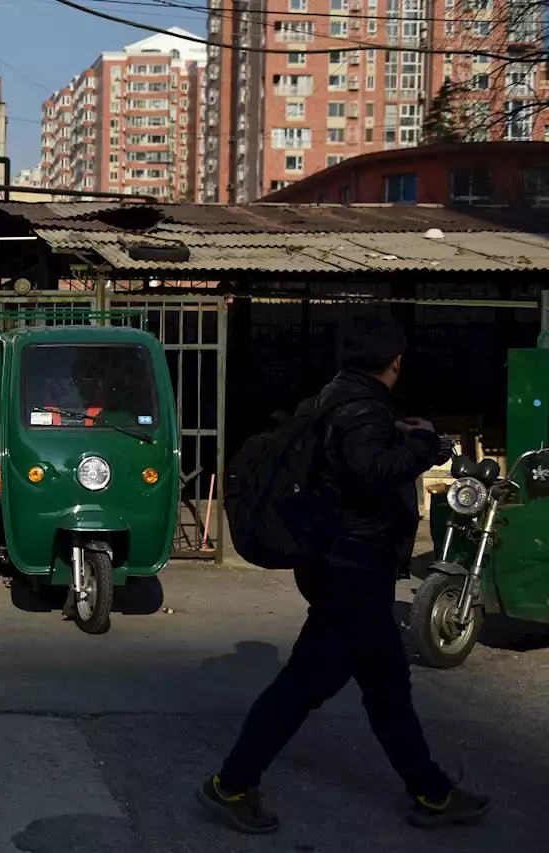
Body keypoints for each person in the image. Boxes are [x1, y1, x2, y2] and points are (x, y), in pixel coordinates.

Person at [197, 313, 491, 833]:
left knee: (387, 686)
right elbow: (371, 469)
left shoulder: (336, 397)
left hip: (346, 566)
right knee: (303, 687)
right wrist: (425, 445)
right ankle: (231, 785)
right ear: (395, 360)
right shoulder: (361, 409)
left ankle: (431, 791)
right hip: (350, 568)